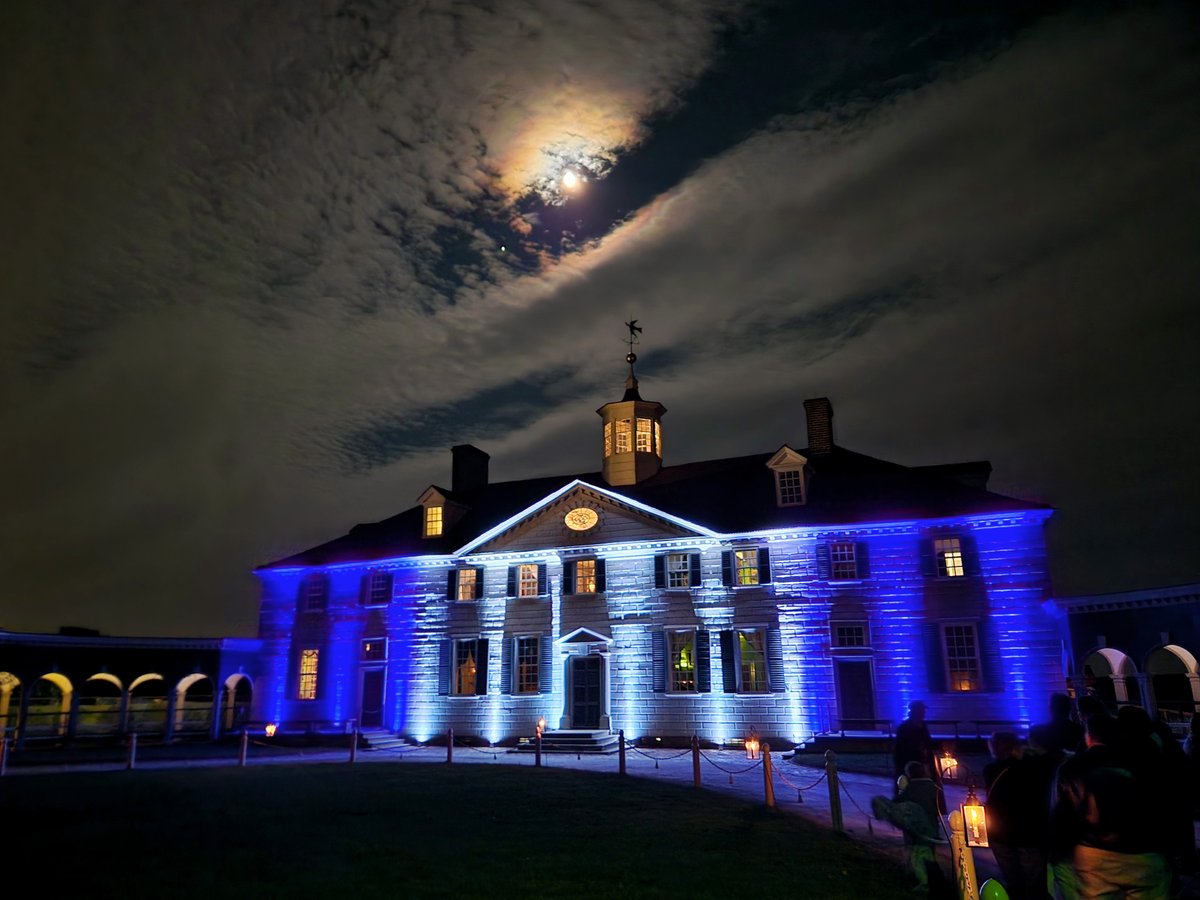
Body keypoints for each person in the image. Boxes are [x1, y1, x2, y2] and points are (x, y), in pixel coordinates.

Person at [1050, 713, 1169, 899]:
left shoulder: (1071, 768)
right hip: (1144, 851)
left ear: (1088, 737)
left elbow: (1061, 815)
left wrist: (1060, 855)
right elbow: (1165, 805)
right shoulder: (1142, 762)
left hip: (1092, 854)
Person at [986, 729, 1054, 900]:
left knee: (1013, 881)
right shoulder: (1032, 767)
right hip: (1029, 833)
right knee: (1035, 884)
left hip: (1000, 833)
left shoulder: (990, 770)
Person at [872, 760, 946, 893]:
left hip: (917, 828)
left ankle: (924, 883)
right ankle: (936, 879)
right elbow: (940, 808)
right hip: (933, 826)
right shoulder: (933, 787)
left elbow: (896, 802)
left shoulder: (911, 788)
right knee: (928, 853)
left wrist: (901, 790)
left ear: (909, 774)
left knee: (917, 855)